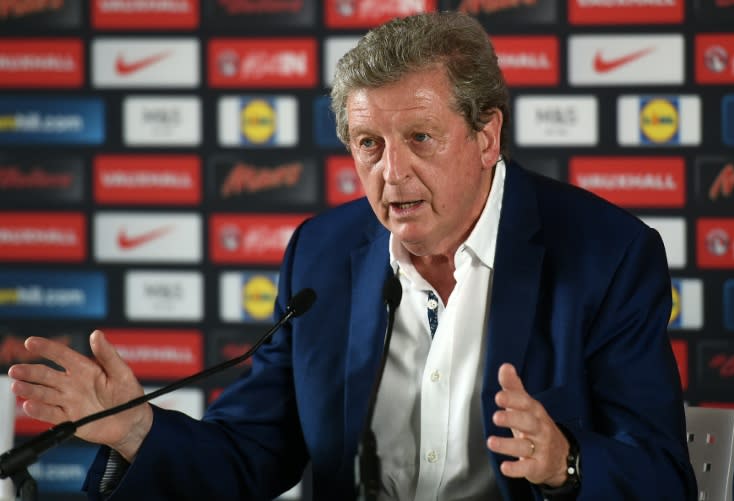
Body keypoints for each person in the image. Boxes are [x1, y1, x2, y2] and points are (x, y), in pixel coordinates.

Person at [8, 11, 696, 501]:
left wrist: (565, 465)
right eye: (369, 143)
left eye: (421, 137)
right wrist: (138, 428)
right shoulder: (323, 255)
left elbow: (664, 478)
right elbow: (252, 452)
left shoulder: (607, 254)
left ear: (487, 137)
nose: (391, 173)